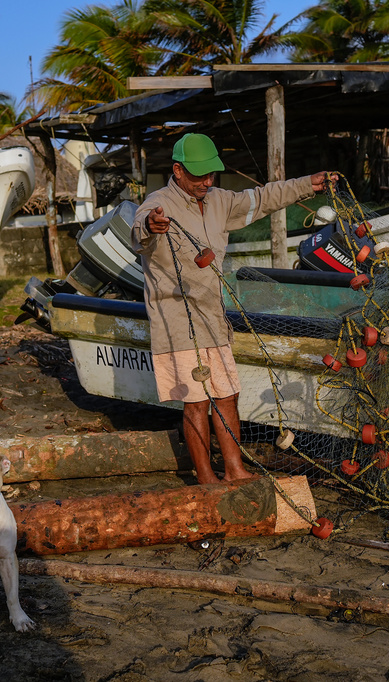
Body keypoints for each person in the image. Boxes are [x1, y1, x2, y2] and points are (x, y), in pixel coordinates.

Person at [133, 133, 337, 485]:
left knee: (227, 394)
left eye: (211, 174)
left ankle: (235, 469)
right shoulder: (158, 203)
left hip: (213, 317)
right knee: (195, 402)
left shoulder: (218, 201)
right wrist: (151, 226)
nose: (207, 181)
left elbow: (263, 197)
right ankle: (206, 478)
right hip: (177, 323)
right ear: (177, 171)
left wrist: (309, 185)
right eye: (199, 175)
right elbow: (139, 232)